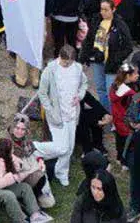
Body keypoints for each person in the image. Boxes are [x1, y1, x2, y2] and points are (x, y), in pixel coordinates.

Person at [37, 44, 87, 187]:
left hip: (72, 114)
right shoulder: (50, 70)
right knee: (62, 147)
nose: (68, 64)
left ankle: (61, 172)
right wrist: (50, 109)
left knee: (69, 147)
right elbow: (42, 93)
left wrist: (80, 96)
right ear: (60, 57)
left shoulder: (77, 68)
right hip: (57, 115)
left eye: (70, 62)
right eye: (66, 62)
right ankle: (36, 149)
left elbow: (84, 84)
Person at [0, 138, 45, 223]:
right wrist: (13, 177)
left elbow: (14, 160)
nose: (13, 149)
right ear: (7, 152)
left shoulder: (2, 153)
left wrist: (19, 165)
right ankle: (20, 220)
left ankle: (35, 214)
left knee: (25, 187)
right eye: (12, 148)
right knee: (9, 195)